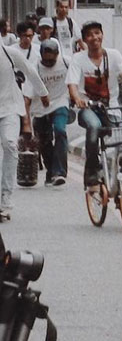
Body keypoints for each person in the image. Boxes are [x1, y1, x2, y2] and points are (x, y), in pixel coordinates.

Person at [66, 21, 122, 188]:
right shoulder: (78, 59)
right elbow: (72, 86)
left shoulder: (114, 55)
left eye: (97, 33)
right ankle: (93, 170)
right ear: (84, 40)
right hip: (88, 108)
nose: (94, 37)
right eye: (90, 35)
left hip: (111, 107)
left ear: (102, 35)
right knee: (94, 127)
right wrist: (77, 99)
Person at [0, 38, 48, 220]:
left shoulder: (9, 53)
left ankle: (6, 200)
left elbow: (30, 71)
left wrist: (43, 93)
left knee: (10, 144)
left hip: (10, 107)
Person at [24, 39, 71, 186]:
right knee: (44, 141)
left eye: (52, 60)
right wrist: (26, 124)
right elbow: (27, 98)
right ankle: (51, 171)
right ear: (41, 56)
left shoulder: (66, 62)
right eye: (46, 61)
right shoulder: (35, 68)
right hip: (40, 108)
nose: (49, 64)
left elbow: (75, 81)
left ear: (57, 54)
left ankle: (59, 172)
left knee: (60, 130)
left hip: (60, 101)